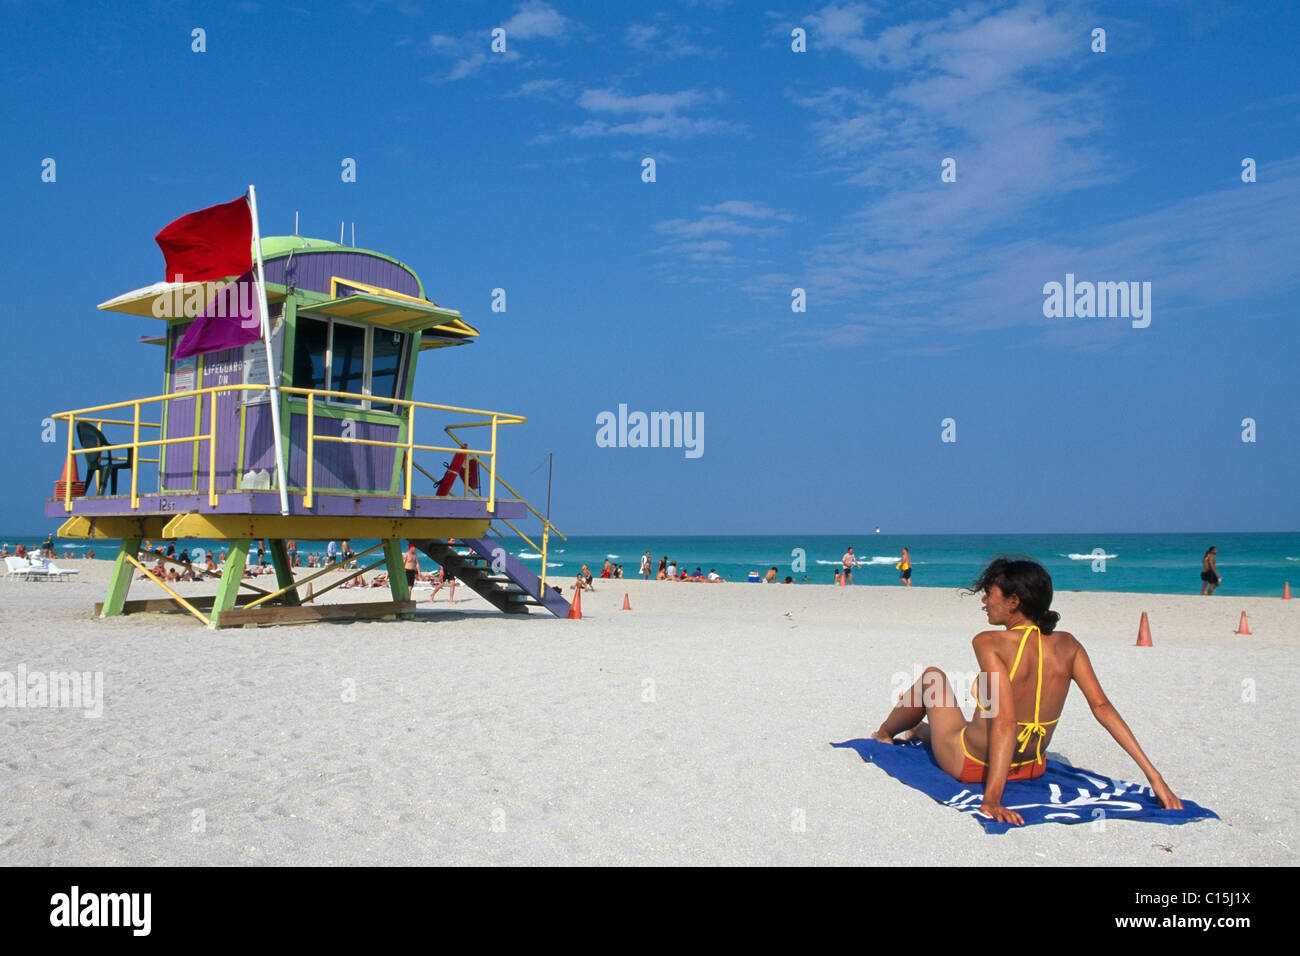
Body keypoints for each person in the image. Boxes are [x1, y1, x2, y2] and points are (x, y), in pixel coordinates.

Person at [871, 556, 1182, 825]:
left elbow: (1005, 721)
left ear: (1013, 601)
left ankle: (885, 733)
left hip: (972, 765)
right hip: (1032, 767)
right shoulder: (1069, 645)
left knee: (932, 678)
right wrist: (1156, 780)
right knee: (972, 712)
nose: (984, 601)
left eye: (989, 594)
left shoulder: (988, 642)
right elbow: (1102, 707)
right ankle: (922, 732)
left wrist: (992, 798)